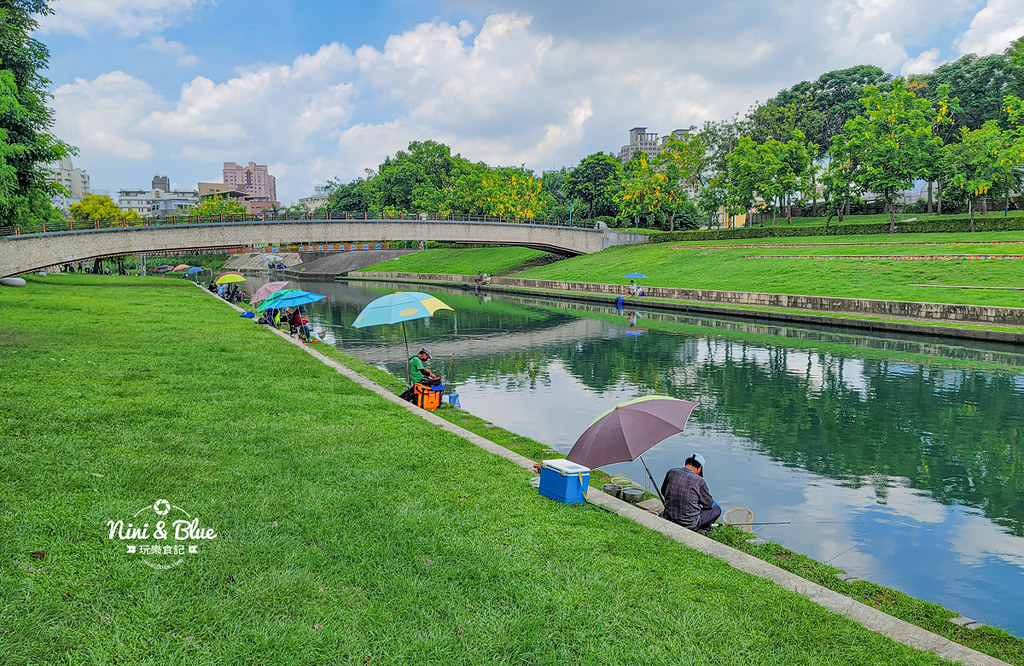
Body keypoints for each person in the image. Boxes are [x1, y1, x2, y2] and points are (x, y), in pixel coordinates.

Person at [661, 453, 721, 532]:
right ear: (699, 468)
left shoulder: (671, 472)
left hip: (668, 516)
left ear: (687, 463)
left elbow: (663, 492)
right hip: (688, 524)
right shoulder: (699, 481)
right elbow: (709, 504)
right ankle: (705, 529)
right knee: (716, 509)